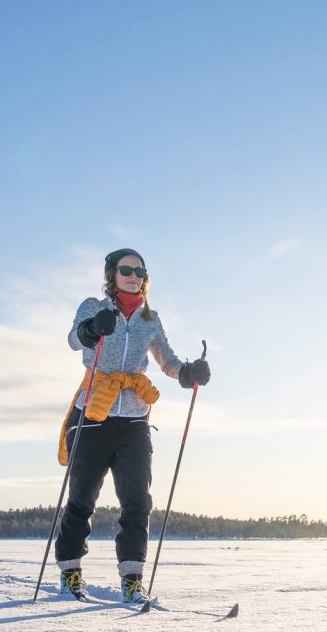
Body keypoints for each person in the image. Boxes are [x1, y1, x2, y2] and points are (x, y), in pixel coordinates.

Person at [54, 247, 211, 604]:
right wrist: (93, 329)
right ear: (112, 275)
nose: (133, 276)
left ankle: (132, 580)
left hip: (134, 419)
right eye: (126, 270)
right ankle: (70, 575)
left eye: (140, 272)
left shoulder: (148, 319)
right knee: (81, 499)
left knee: (138, 502)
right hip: (93, 413)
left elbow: (167, 361)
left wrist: (188, 373)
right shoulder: (94, 307)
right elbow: (74, 340)